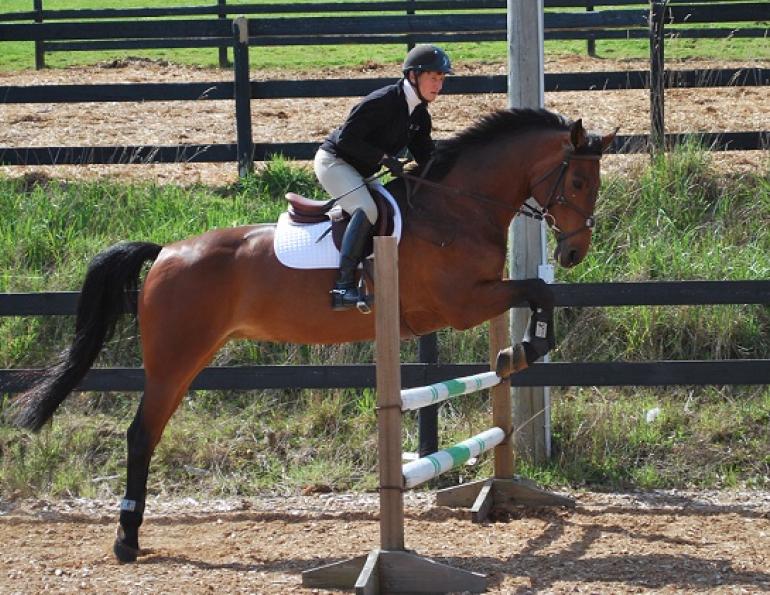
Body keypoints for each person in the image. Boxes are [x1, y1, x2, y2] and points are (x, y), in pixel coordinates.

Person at [315, 44, 453, 310]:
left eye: (442, 78)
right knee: (367, 209)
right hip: (335, 161)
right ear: (413, 76)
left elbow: (427, 156)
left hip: (362, 171)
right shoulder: (382, 101)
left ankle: (373, 277)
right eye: (433, 77)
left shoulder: (420, 116)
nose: (439, 84)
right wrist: (384, 159)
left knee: (391, 210)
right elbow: (347, 139)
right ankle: (342, 287)